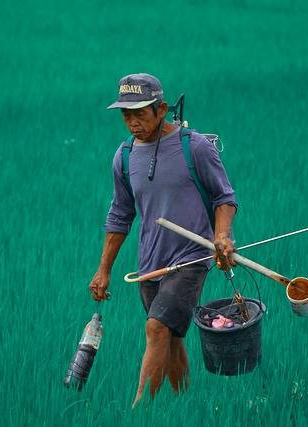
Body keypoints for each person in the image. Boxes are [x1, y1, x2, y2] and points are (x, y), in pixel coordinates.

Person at [88, 73, 237, 407]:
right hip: (150, 264)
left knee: (156, 328)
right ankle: (182, 404)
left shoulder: (194, 147)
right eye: (126, 115)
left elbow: (224, 198)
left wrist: (222, 235)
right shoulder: (124, 157)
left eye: (140, 113)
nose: (132, 122)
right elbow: (120, 215)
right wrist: (103, 270)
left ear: (162, 109)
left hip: (190, 259)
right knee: (170, 339)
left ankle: (138, 410)